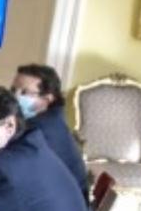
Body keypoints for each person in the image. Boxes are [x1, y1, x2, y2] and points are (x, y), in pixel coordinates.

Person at [10, 63, 86, 193]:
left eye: (24, 92)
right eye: (13, 90)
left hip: (61, 204)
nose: (14, 97)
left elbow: (13, 167)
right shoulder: (53, 118)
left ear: (47, 99)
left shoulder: (39, 129)